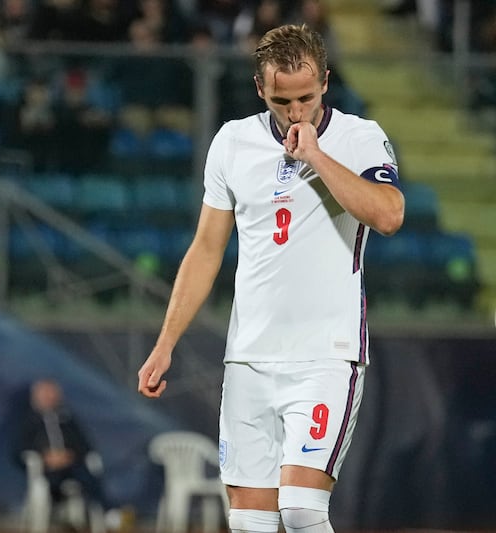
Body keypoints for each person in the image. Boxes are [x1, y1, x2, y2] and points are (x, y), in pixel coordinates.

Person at [137, 24, 405, 533]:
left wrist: (317, 157)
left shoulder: (359, 137)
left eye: (306, 96)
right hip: (250, 357)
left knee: (302, 508)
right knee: (248, 521)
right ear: (261, 89)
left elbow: (389, 215)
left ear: (325, 81)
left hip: (326, 353)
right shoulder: (233, 142)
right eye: (283, 100)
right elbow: (207, 249)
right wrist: (166, 341)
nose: (296, 111)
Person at [15, 378, 106, 510]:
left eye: (52, 393)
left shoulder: (67, 420)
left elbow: (84, 445)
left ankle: (109, 513)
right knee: (50, 484)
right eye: (44, 394)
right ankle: (58, 510)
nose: (49, 397)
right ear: (36, 397)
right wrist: (45, 457)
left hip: (71, 466)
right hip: (45, 469)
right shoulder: (28, 421)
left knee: (89, 477)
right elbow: (19, 448)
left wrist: (68, 456)